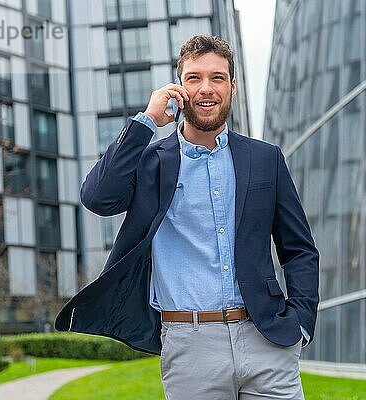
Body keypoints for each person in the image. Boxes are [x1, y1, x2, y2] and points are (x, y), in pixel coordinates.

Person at [55, 35, 319, 399]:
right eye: (194, 78)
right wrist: (147, 121)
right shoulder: (150, 162)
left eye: (217, 78)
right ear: (179, 87)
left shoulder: (265, 159)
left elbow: (299, 249)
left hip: (267, 340)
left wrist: (302, 321)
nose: (206, 89)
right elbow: (98, 198)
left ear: (233, 87)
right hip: (190, 348)